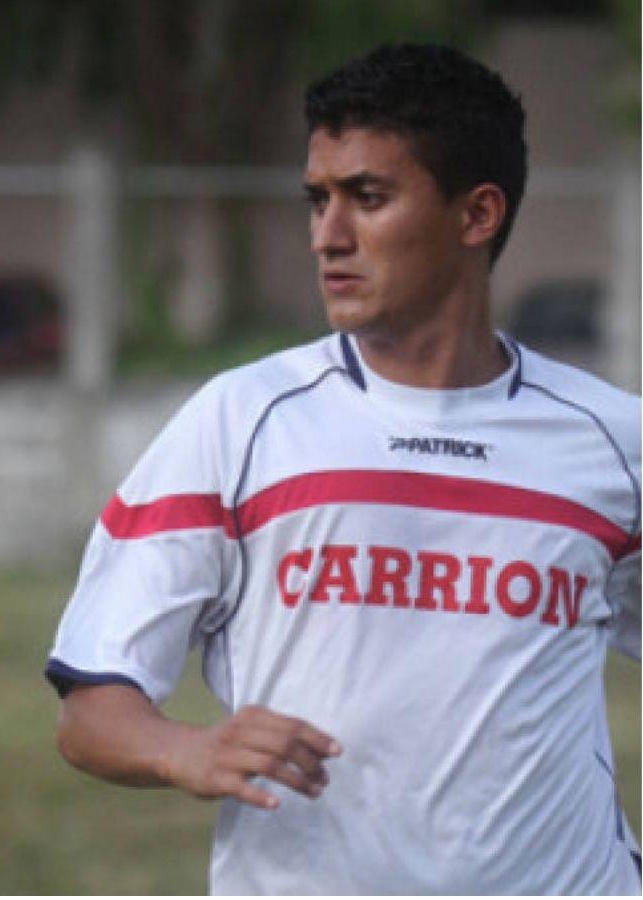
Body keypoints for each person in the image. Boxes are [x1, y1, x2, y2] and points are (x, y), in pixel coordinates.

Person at [45, 43, 640, 894]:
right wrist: (183, 748)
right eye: (317, 200)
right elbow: (90, 711)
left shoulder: (613, 441)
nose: (328, 236)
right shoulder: (243, 421)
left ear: (477, 215)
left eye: (368, 197)